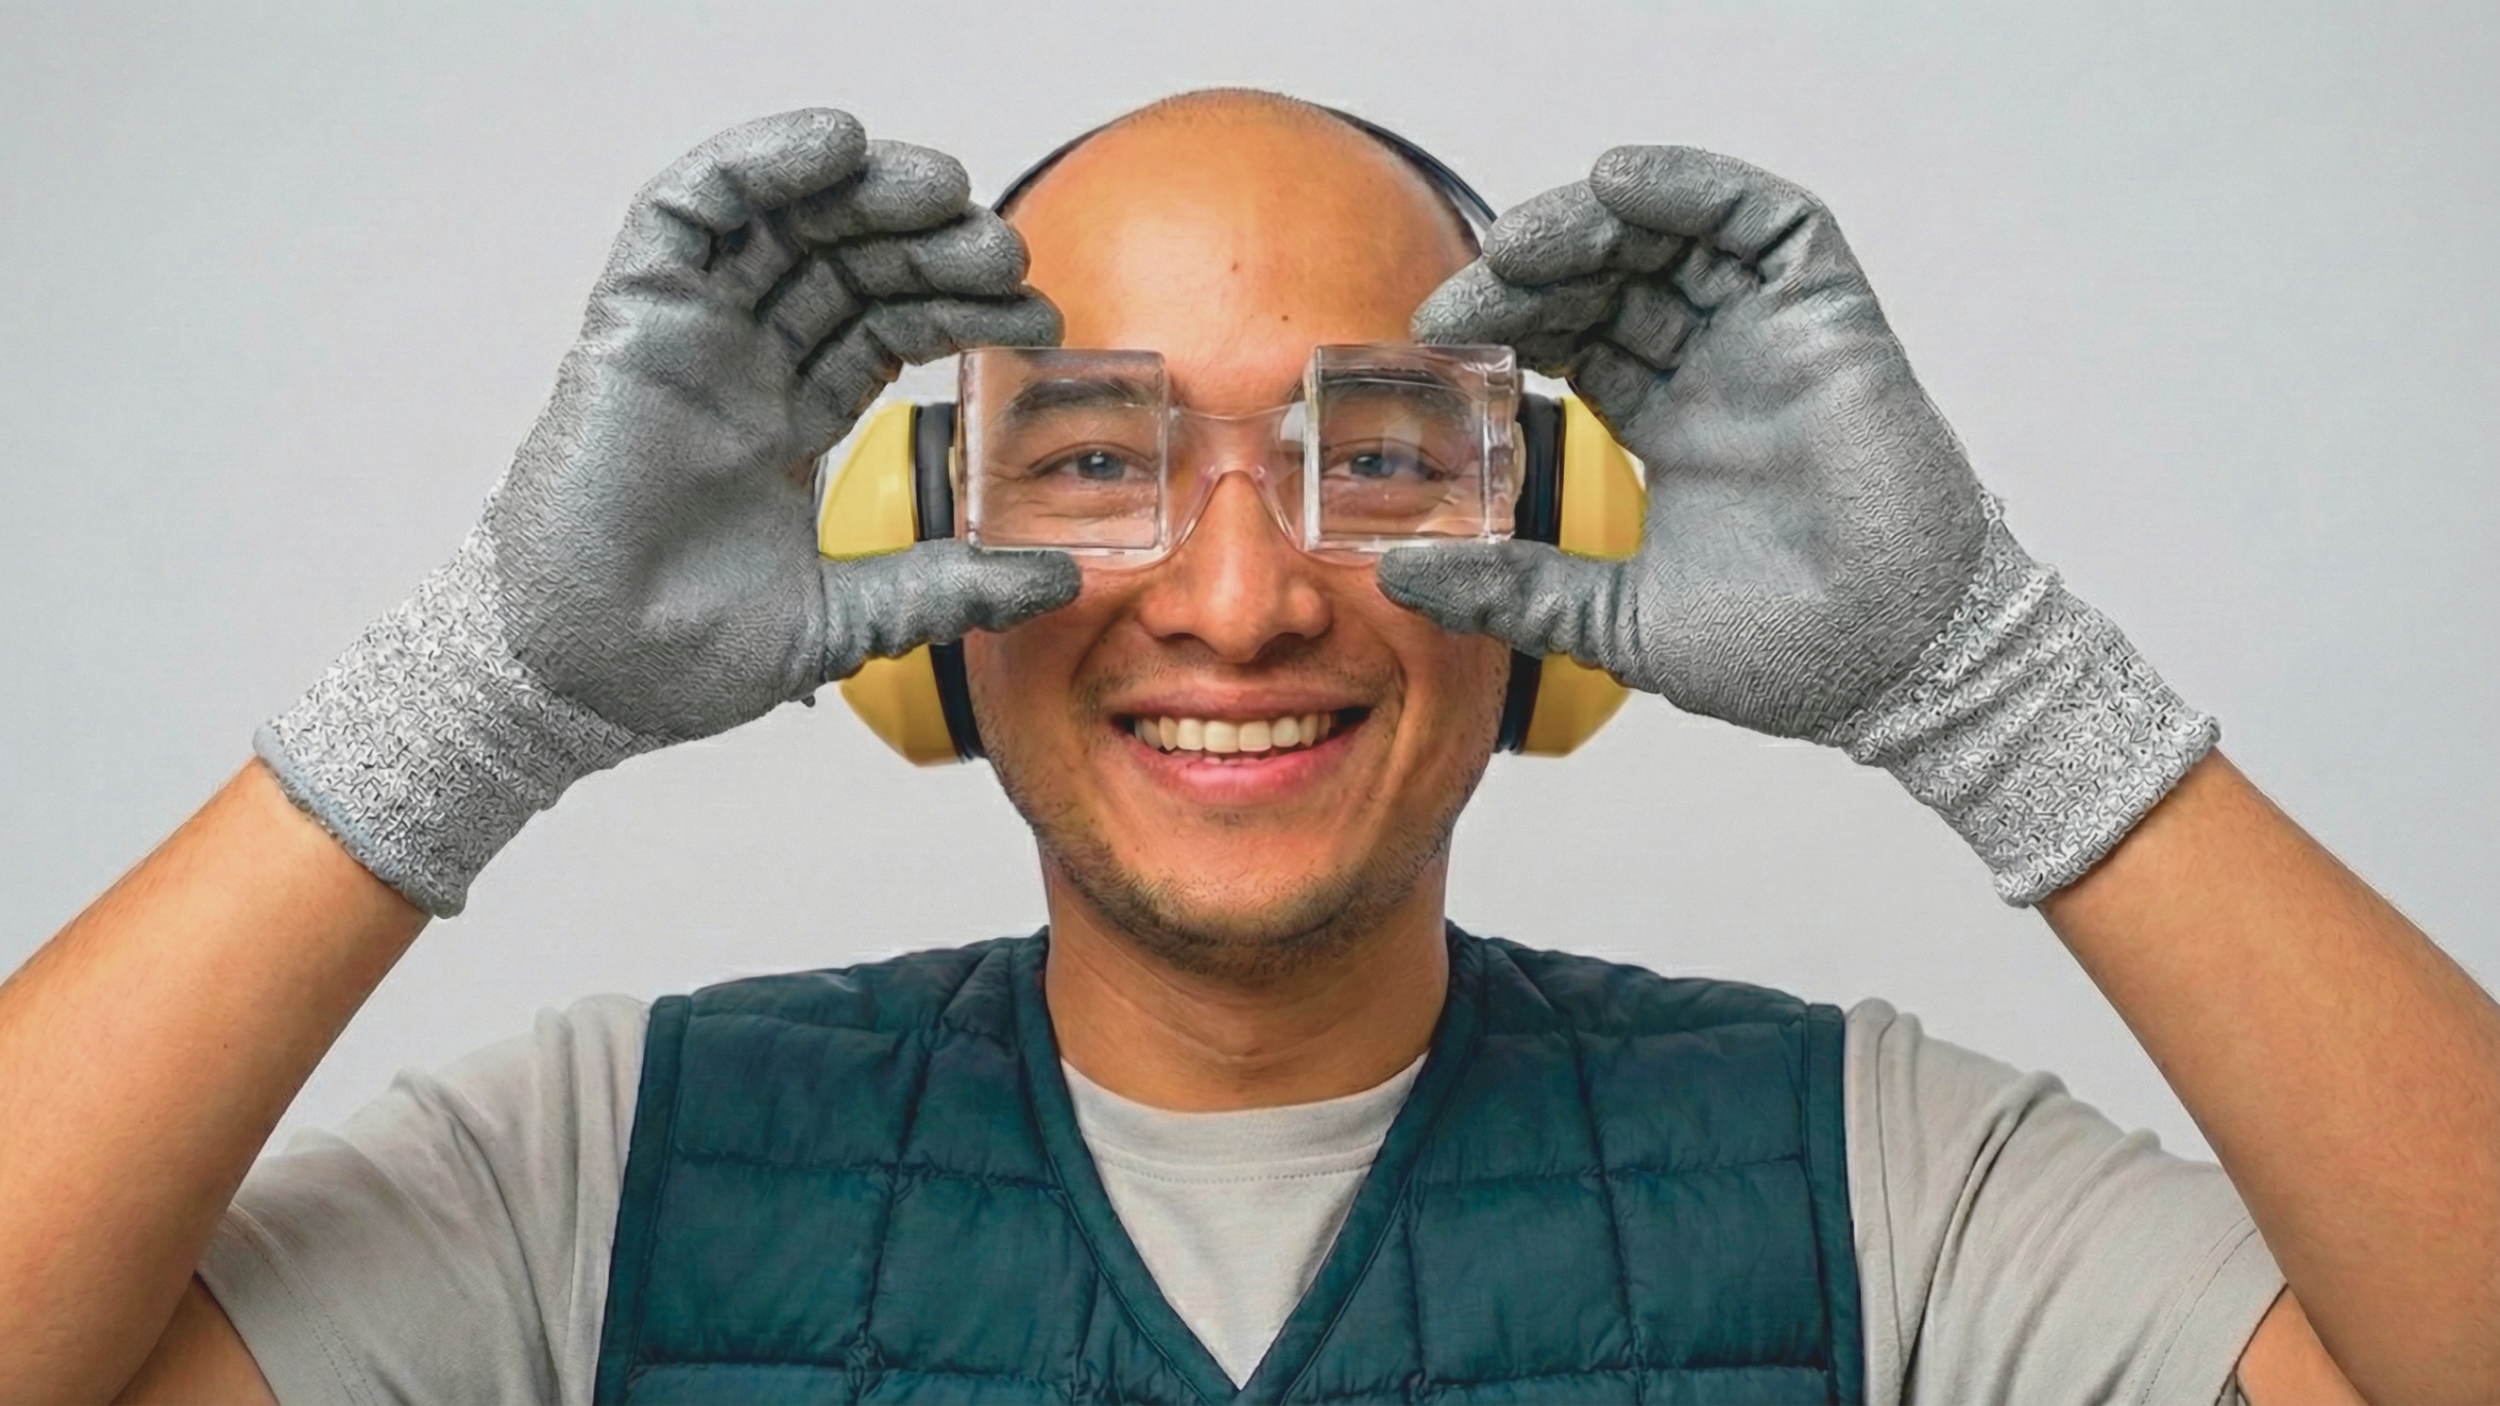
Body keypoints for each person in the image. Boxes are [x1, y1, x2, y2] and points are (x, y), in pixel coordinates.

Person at [2, 89, 2493, 1406]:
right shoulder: (590, 1172)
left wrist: (1987, 673)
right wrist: (489, 687)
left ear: (1564, 561)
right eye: (1093, 458)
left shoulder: (1876, 1175)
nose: (1230, 591)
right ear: (899, 577)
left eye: (1367, 448)